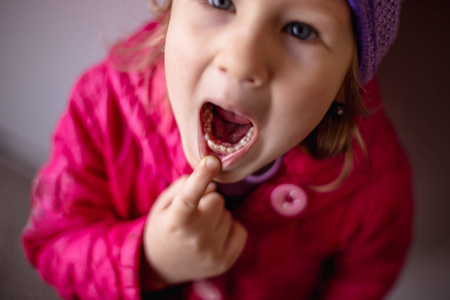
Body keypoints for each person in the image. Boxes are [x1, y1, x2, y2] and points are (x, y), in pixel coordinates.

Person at [22, 0, 413, 299]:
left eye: (300, 29)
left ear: (347, 78)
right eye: (221, 0)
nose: (241, 61)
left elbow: (363, 284)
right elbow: (50, 244)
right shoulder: (102, 105)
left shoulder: (375, 179)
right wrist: (150, 259)